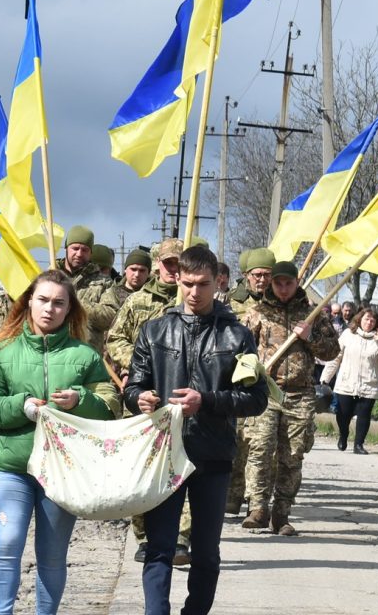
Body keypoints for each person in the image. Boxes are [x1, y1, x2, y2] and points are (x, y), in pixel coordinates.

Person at [125, 245, 269, 615]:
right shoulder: (154, 330)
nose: (194, 292)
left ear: (217, 283)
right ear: (177, 280)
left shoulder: (237, 336)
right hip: (164, 454)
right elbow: (133, 386)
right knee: (159, 547)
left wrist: (205, 401)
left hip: (213, 455)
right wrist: (139, 398)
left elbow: (255, 399)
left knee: (205, 551)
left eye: (203, 284)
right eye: (187, 283)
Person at [0, 269, 120, 615]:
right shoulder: (0, 352)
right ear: (28, 303)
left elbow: (110, 404)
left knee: (52, 556)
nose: (49, 309)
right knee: (7, 543)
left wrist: (81, 400)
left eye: (58, 303)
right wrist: (21, 406)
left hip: (62, 472)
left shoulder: (85, 357)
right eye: (42, 300)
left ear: (69, 310)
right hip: (12, 467)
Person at [241, 260, 339, 535]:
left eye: (288, 283)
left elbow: (332, 351)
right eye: (278, 283)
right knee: (260, 448)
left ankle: (281, 513)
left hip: (299, 393)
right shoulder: (257, 312)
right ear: (271, 284)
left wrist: (310, 337)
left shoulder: (313, 314)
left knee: (293, 454)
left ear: (297, 283)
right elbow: (238, 346)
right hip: (266, 391)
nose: (283, 289)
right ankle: (258, 507)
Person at [105, 238, 185, 564]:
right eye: (168, 264)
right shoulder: (138, 302)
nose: (174, 270)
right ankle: (143, 536)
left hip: (180, 399)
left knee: (181, 468)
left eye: (180, 264)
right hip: (141, 396)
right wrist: (133, 365)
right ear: (157, 264)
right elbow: (115, 339)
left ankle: (180, 538)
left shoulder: (193, 302)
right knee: (139, 469)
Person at [224, 247, 273, 516]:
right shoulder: (232, 303)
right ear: (247, 276)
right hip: (238, 379)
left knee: (265, 446)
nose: (262, 280)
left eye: (267, 275)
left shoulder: (281, 303)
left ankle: (259, 500)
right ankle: (233, 494)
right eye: (257, 275)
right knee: (240, 440)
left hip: (272, 380)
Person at [324, 307, 378, 453]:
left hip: (369, 384)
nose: (369, 322)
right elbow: (336, 357)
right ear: (359, 319)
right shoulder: (347, 334)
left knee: (364, 414)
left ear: (377, 323)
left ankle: (359, 444)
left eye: (372, 320)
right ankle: (343, 435)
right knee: (343, 414)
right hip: (347, 382)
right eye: (366, 319)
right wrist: (325, 378)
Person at [55, 225, 120, 353]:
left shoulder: (103, 282)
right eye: (75, 248)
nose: (79, 254)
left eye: (85, 250)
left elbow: (112, 317)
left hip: (88, 355)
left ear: (90, 253)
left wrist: (78, 305)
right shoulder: (50, 277)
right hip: (54, 354)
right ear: (66, 248)